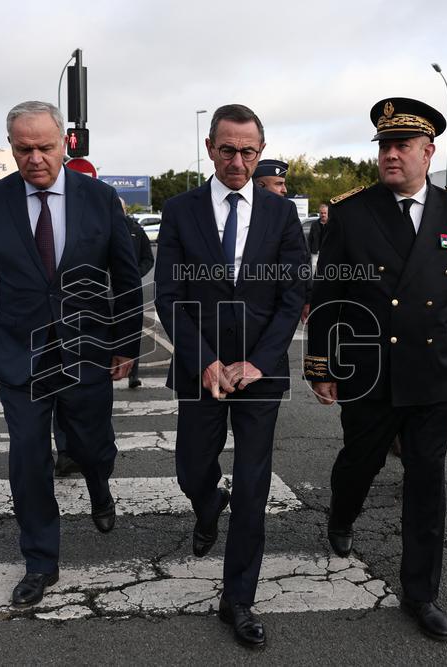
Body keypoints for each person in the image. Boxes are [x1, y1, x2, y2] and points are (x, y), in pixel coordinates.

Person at [305, 97, 447, 642]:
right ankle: (341, 516)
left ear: (429, 152)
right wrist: (322, 366)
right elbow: (328, 294)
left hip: (432, 372)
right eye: (384, 144)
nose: (390, 155)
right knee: (359, 462)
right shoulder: (353, 213)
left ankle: (421, 593)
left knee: (426, 482)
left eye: (402, 145)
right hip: (369, 371)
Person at [0, 101, 142, 609]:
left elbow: (126, 278)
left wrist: (126, 342)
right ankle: (41, 561)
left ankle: (98, 483)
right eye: (24, 149)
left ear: (66, 143)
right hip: (19, 352)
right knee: (28, 458)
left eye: (45, 146)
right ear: (11, 147)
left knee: (90, 444)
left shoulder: (100, 199)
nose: (36, 158)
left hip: (86, 349)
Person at [155, 104, 308, 650]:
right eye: (228, 149)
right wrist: (206, 362)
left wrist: (259, 362)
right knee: (193, 469)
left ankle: (238, 598)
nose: (238, 161)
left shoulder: (281, 214)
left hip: (259, 374)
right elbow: (168, 296)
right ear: (210, 148)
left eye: (248, 151)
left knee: (252, 486)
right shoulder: (180, 210)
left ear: (260, 152)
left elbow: (293, 297)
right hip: (202, 368)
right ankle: (206, 503)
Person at [121, 196, 154, 389]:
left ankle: (133, 374)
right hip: (103, 291)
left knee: (132, 332)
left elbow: (148, 259)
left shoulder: (136, 230)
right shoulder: (99, 229)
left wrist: (134, 275)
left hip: (131, 289)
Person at [301, 203, 330, 324]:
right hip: (315, 253)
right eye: (321, 213)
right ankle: (314, 289)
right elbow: (310, 239)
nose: (323, 215)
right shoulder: (314, 224)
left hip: (328, 253)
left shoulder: (332, 224)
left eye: (325, 213)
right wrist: (309, 250)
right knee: (313, 273)